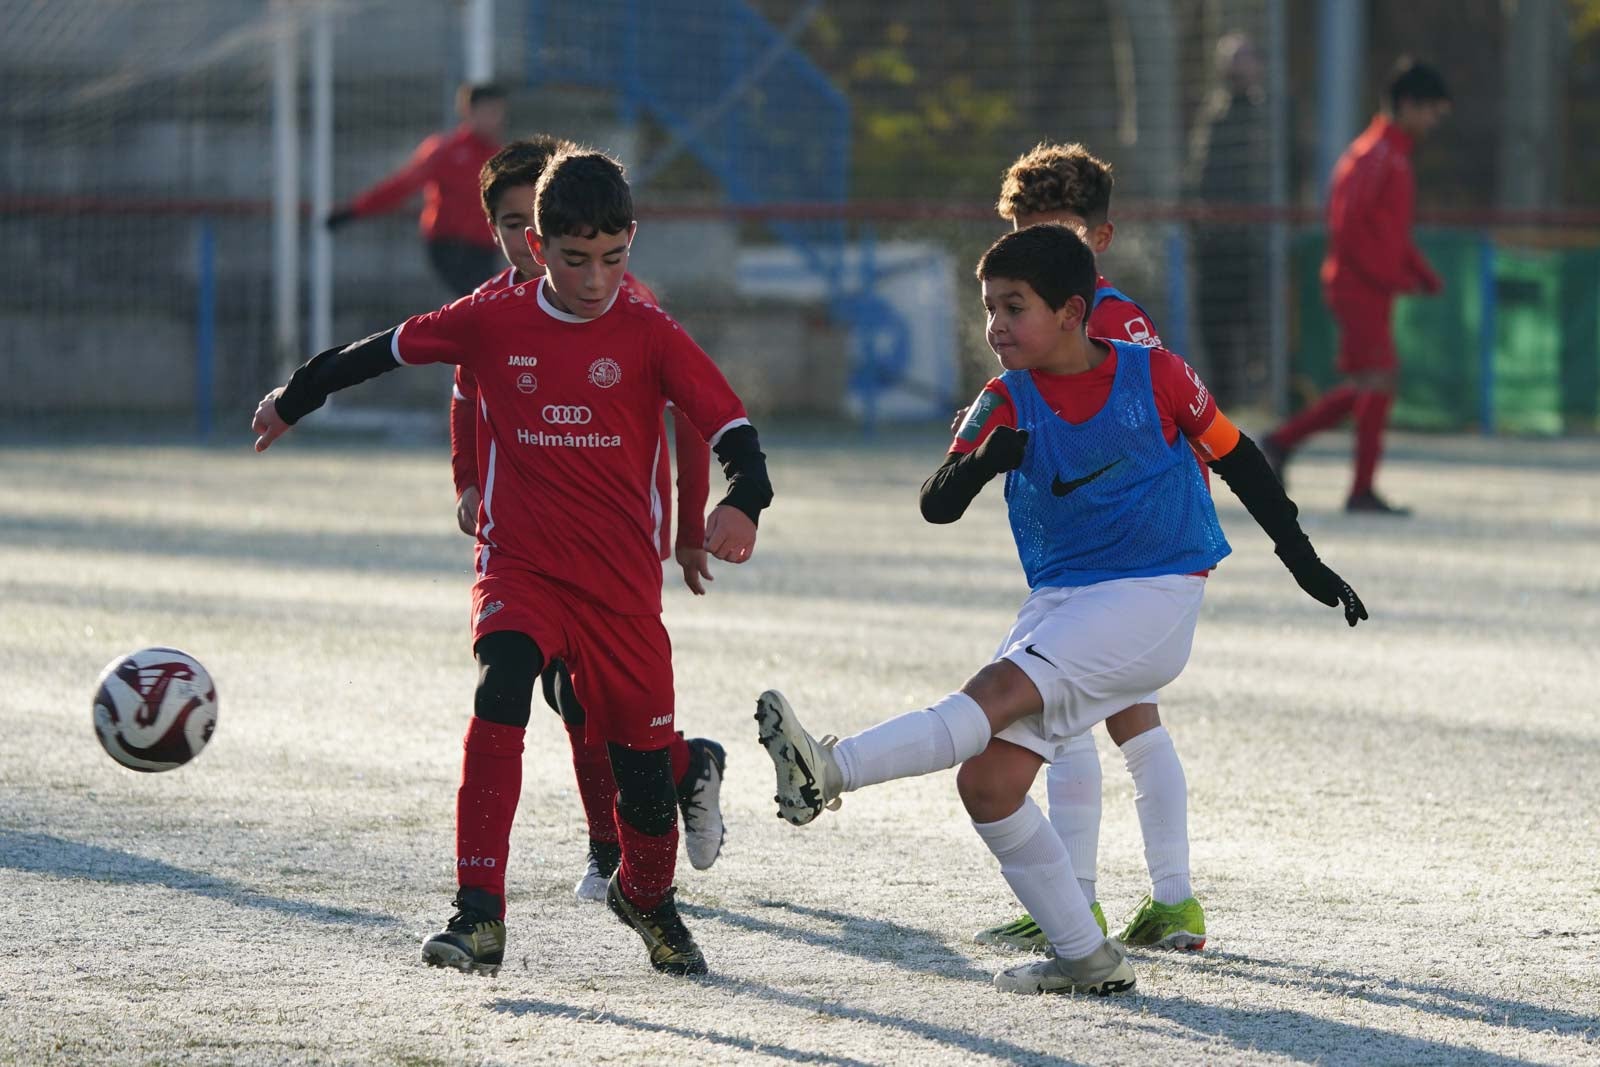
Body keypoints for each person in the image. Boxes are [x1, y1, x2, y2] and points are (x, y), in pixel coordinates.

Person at [756, 223, 1365, 996]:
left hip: (1156, 593)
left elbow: (1239, 456)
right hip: (1063, 605)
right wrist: (984, 462)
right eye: (988, 308)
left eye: (1014, 307)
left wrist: (1303, 561)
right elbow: (936, 503)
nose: (996, 326)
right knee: (988, 785)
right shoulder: (1002, 399)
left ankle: (831, 769)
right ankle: (1086, 954)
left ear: (1073, 311)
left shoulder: (1160, 375)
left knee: (996, 688)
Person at [253, 150, 774, 979]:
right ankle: (478, 916)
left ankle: (647, 895)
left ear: (631, 241)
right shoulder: (490, 318)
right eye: (574, 259)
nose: (595, 277)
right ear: (537, 244)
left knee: (642, 779)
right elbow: (383, 349)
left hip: (620, 591)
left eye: (612, 257)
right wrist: (296, 395)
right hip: (520, 562)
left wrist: (741, 498)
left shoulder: (648, 331)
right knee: (503, 686)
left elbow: (729, 423)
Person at [453, 139, 726, 901]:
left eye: (522, 221)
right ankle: (636, 817)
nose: (515, 241)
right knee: (536, 684)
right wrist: (468, 480)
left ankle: (631, 827)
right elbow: (466, 398)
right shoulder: (492, 312)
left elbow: (697, 412)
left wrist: (692, 524)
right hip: (527, 540)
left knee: (588, 700)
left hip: (612, 549)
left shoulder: (625, 306)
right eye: (505, 225)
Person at [971, 142, 1208, 957]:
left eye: (1056, 228)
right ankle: (1162, 900)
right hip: (1100, 550)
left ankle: (1081, 902)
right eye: (1022, 226)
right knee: (1127, 725)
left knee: (1073, 725)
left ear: (1097, 240)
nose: (1038, 242)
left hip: (1126, 555)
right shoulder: (1066, 311)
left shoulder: (1101, 317)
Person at [1261, 58, 1452, 515]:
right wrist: (1394, 276)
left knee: (1370, 384)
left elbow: (1390, 232)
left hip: (1369, 285)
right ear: (1407, 105)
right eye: (1430, 112)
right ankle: (1354, 486)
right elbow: (1349, 228)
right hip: (1358, 286)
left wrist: (1419, 273)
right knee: (1378, 380)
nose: (1433, 123)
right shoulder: (1375, 156)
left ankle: (1282, 445)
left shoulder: (1392, 155)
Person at [326, 83, 508, 296]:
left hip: (485, 248)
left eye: (498, 112)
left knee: (486, 307)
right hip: (449, 245)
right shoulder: (447, 151)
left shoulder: (501, 157)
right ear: (468, 112)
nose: (494, 119)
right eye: (488, 111)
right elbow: (402, 185)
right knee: (479, 304)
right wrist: (354, 211)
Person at [1186, 32, 1270, 408]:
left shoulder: (1265, 116)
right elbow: (1201, 174)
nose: (1237, 67)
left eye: (1244, 58)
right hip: (1217, 239)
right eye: (1231, 59)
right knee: (1215, 320)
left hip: (1253, 239)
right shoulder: (1213, 115)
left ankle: (1262, 389)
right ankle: (1226, 396)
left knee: (1254, 319)